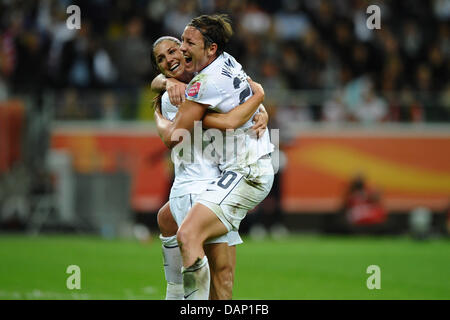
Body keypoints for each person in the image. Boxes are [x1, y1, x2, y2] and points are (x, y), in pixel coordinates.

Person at [154, 14, 274, 300]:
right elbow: (245, 95)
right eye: (180, 42)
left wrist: (157, 113)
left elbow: (174, 136)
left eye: (186, 43)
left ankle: (182, 298)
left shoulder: (200, 85)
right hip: (230, 173)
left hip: (243, 172)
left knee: (191, 241)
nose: (181, 50)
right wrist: (258, 101)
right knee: (215, 269)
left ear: (211, 49)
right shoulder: (225, 61)